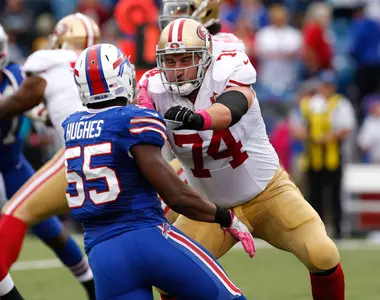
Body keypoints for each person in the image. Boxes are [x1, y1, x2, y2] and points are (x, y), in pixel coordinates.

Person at [138, 18, 345, 300]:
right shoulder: (152, 89)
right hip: (210, 208)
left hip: (268, 194)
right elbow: (145, 142)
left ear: (206, 57)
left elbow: (235, 104)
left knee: (322, 252)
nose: (178, 69)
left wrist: (200, 119)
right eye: (170, 61)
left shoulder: (229, 66)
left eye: (186, 59)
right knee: (168, 275)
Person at [65, 42, 254, 300]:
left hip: (102, 253)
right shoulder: (133, 119)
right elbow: (175, 196)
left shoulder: (72, 126)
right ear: (123, 76)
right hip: (146, 237)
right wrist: (225, 218)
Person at [0, 13, 102, 299]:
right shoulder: (100, 66)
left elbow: (27, 101)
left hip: (21, 162)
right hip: (110, 152)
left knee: (29, 219)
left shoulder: (37, 68)